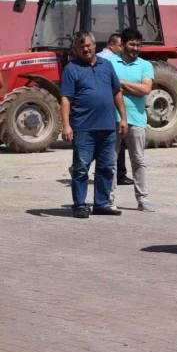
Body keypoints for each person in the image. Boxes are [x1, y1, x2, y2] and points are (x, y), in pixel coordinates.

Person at [60, 31, 128, 218]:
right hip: (83, 128)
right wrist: (66, 125)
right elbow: (65, 98)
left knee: (106, 167)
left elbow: (117, 92)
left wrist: (123, 118)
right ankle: (80, 204)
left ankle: (101, 203)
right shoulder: (71, 69)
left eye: (88, 45)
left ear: (95, 45)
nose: (85, 49)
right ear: (76, 49)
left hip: (107, 127)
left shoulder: (107, 65)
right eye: (81, 47)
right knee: (81, 168)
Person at [109, 28, 155, 212]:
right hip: (112, 117)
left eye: (138, 44)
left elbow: (146, 90)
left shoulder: (145, 65)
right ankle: (108, 198)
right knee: (110, 160)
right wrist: (132, 88)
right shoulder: (109, 62)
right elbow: (108, 87)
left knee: (138, 160)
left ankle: (142, 199)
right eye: (132, 44)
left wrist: (121, 84)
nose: (135, 48)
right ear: (123, 45)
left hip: (137, 119)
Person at [97, 33, 133, 186]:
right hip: (111, 107)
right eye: (120, 46)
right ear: (111, 45)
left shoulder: (101, 57)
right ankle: (119, 175)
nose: (123, 48)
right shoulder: (108, 60)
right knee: (113, 143)